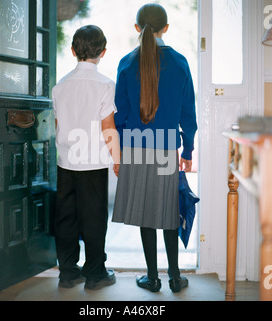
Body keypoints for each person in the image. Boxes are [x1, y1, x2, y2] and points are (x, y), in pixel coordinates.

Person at [112, 4, 198, 293]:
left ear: (137, 29)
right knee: (168, 212)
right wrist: (187, 149)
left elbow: (120, 115)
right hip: (166, 150)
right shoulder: (180, 62)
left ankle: (152, 277)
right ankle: (175, 277)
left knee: (146, 214)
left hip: (135, 148)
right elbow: (188, 113)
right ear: (166, 28)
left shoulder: (126, 62)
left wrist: (121, 151)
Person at [52, 25, 120, 290]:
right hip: (92, 162)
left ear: (72, 51)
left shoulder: (60, 86)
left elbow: (59, 124)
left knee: (66, 217)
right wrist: (117, 159)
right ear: (103, 52)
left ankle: (68, 272)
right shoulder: (104, 85)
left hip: (66, 160)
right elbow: (108, 127)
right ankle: (95, 273)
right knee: (93, 217)